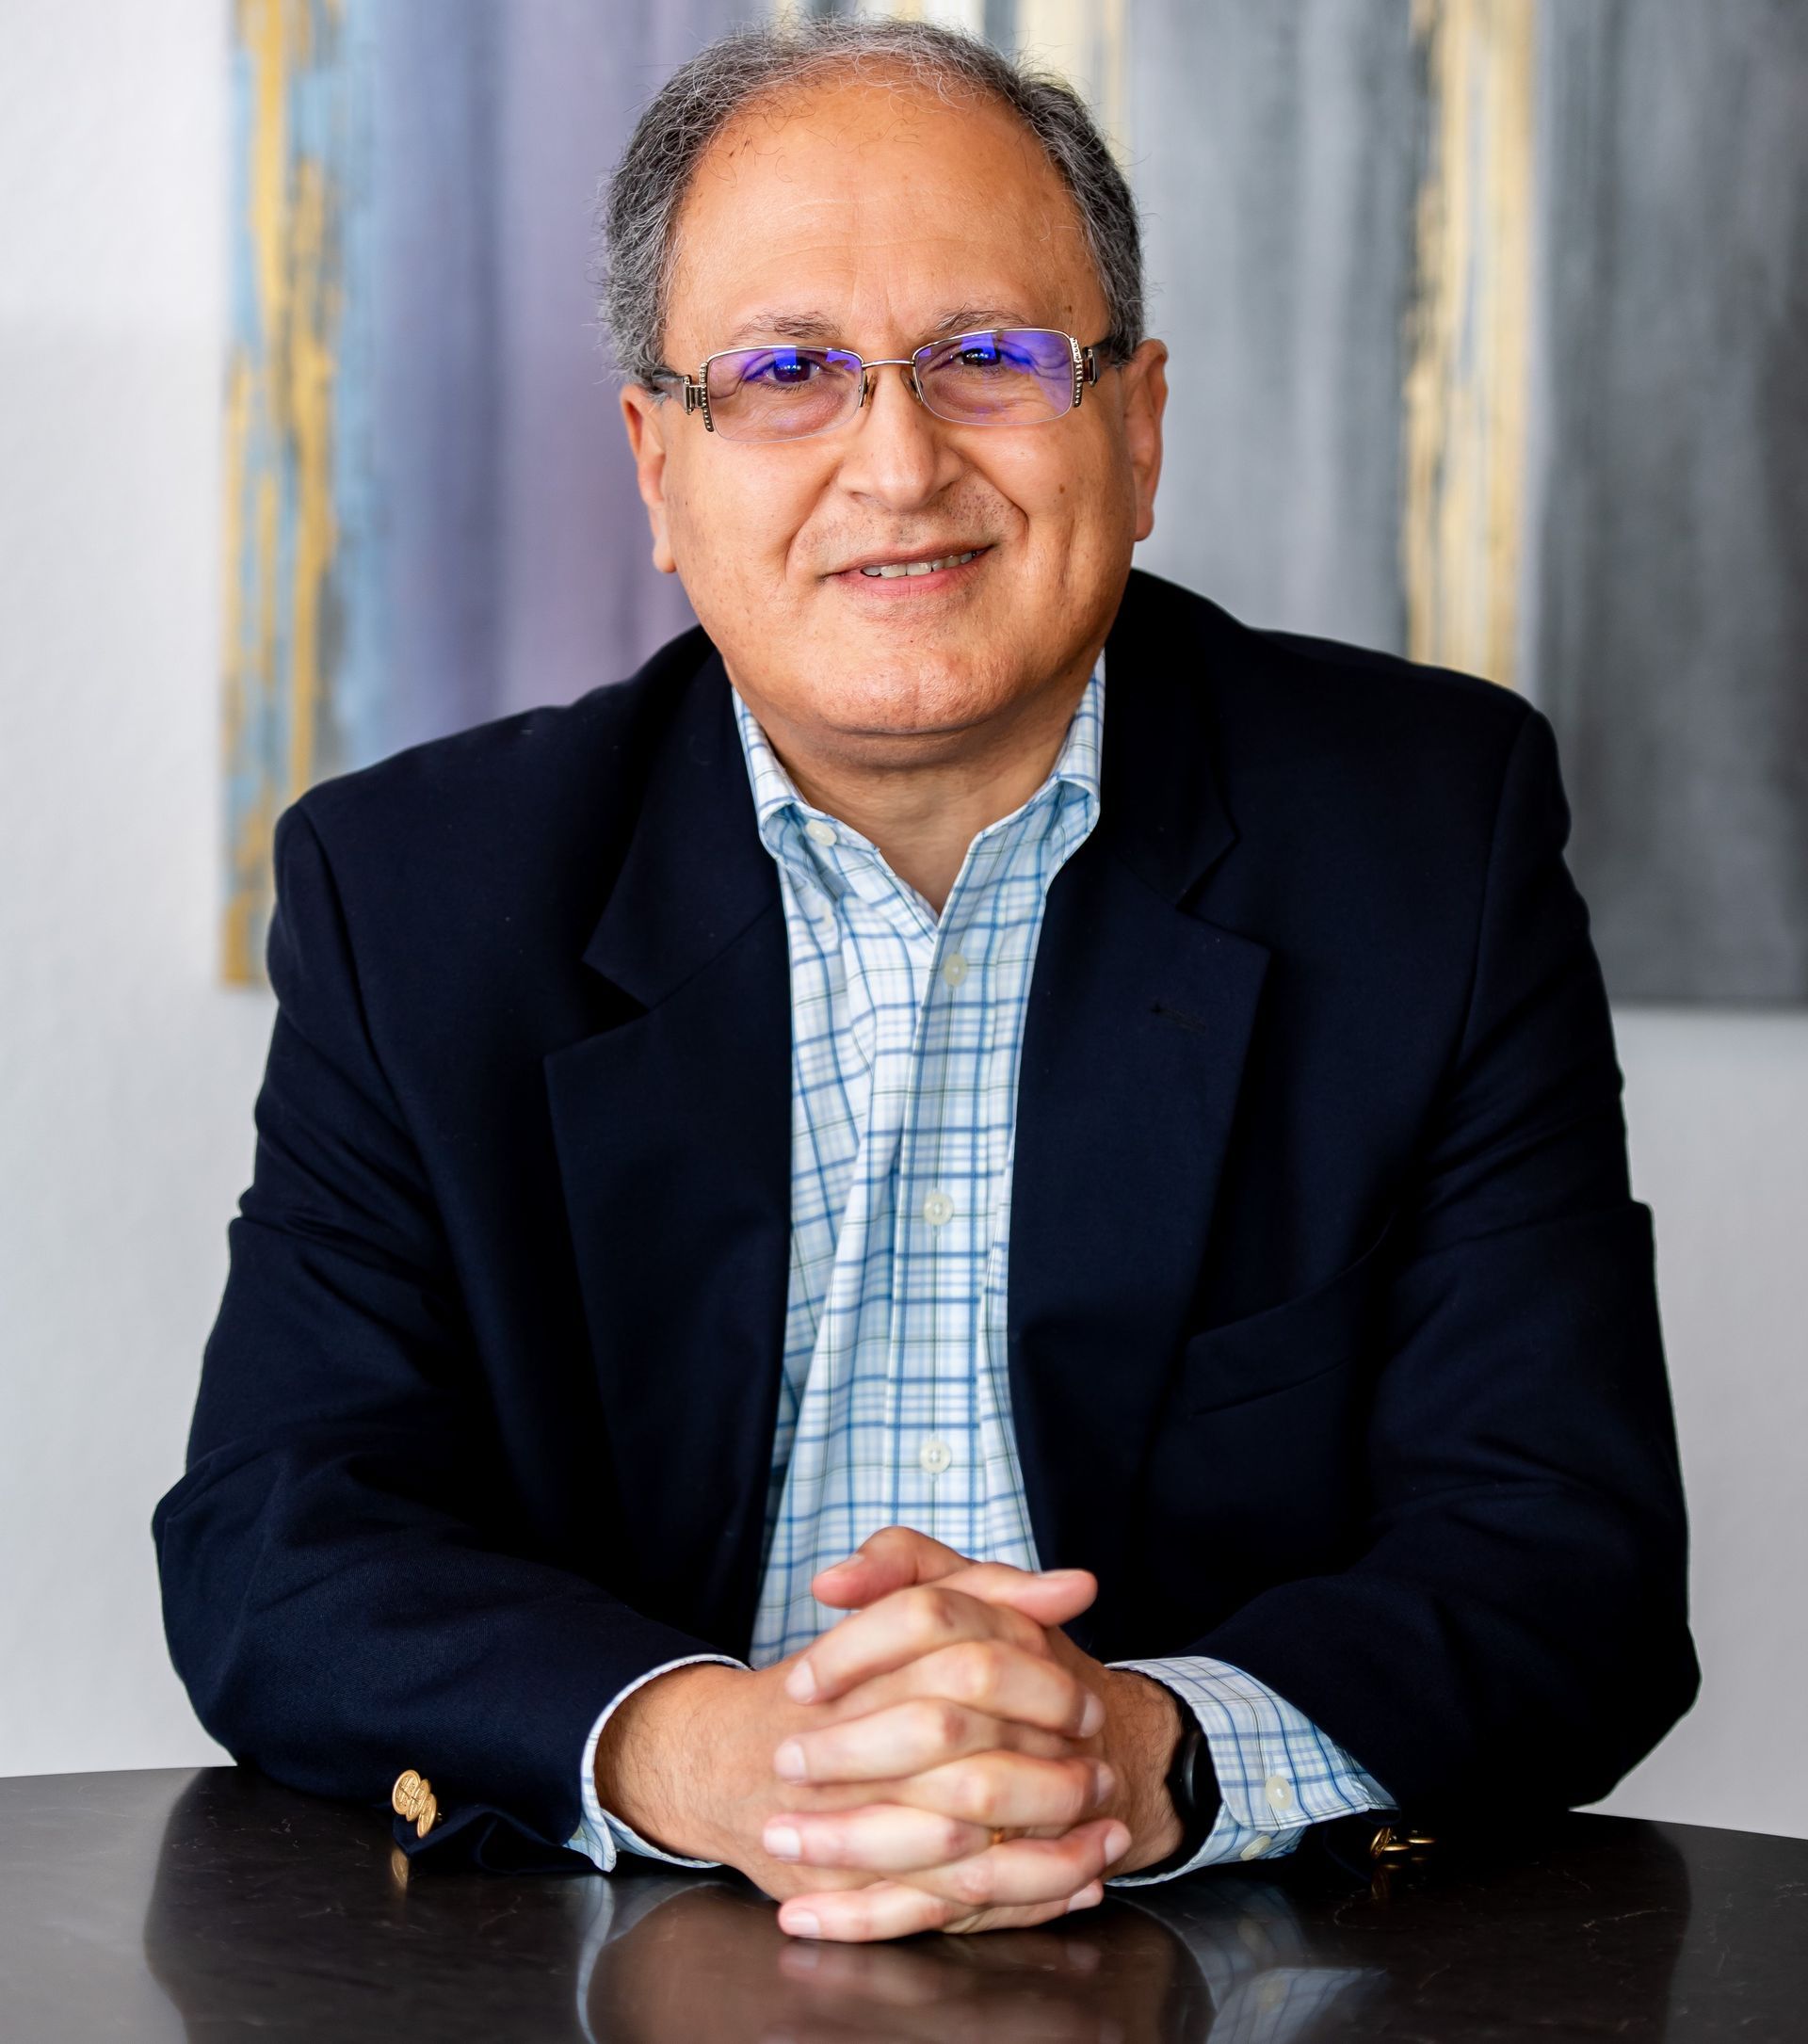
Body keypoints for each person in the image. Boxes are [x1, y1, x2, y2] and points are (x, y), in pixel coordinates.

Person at [154, 18, 1698, 1945]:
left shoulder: (1423, 844)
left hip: (1220, 1949)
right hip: (627, 1940)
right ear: (660, 461)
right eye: (789, 373)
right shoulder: (420, 894)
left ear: (1136, 430)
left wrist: (1147, 1750)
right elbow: (281, 1540)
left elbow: (1566, 1554)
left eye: (990, 358)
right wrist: (722, 1755)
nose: (897, 462)